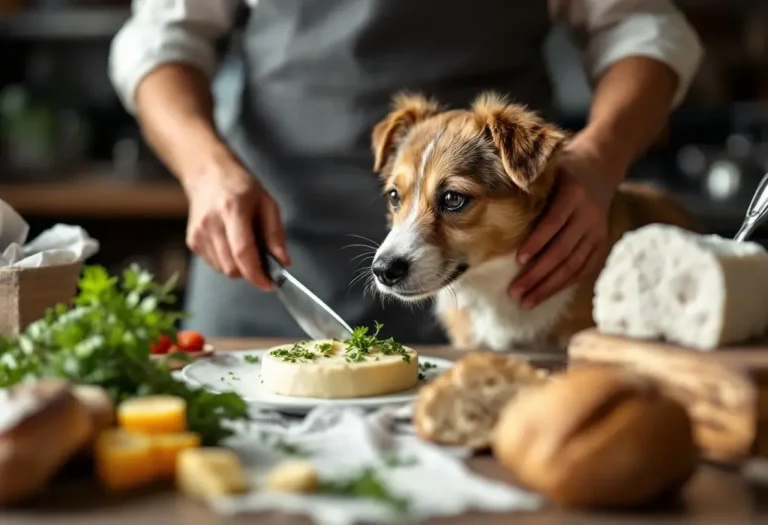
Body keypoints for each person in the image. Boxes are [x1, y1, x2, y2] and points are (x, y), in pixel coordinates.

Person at [109, 0, 703, 342]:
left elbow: (641, 24)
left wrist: (597, 158)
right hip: (270, 258)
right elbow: (162, 39)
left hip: (520, 270)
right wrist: (205, 170)